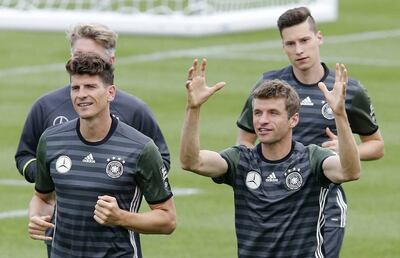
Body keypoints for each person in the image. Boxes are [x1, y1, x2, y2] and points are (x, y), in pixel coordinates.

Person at [236, 7, 384, 257]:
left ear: (319, 38)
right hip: (276, 201)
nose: (299, 50)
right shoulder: (269, 87)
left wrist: (349, 149)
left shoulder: (347, 90)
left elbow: (377, 145)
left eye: (304, 40)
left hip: (326, 203)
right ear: (283, 47)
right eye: (290, 43)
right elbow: (244, 141)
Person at [180, 58, 360, 258]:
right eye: (258, 113)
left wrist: (340, 114)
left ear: (293, 120)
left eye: (273, 113)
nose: (262, 121)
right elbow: (192, 161)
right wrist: (193, 109)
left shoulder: (312, 159)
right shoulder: (241, 160)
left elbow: (350, 171)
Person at [28, 53, 176, 258]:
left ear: (110, 93)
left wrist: (120, 217)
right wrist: (36, 216)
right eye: (75, 88)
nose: (81, 94)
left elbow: (168, 220)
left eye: (90, 87)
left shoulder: (141, 148)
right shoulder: (51, 140)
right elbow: (42, 197)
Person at [15, 23, 170, 184]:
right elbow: (25, 155)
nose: (84, 61)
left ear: (111, 61)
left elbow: (161, 160)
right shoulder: (46, 106)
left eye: (92, 56)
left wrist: (120, 179)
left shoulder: (134, 110)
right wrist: (51, 176)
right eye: (78, 55)